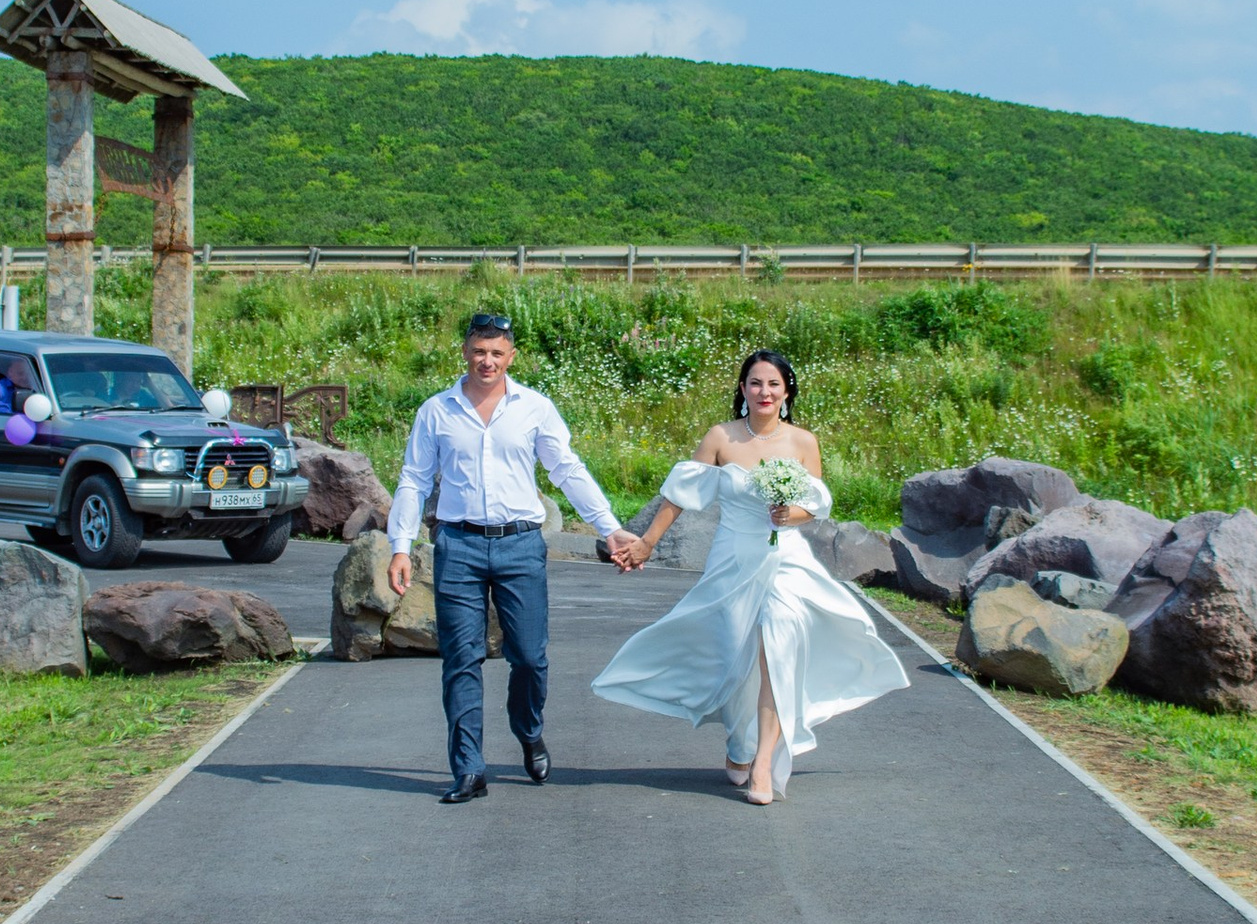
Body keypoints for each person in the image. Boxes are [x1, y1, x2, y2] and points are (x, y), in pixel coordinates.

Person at [594, 347, 903, 802]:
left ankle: (764, 764)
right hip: (732, 560)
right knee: (734, 656)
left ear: (787, 391)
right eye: (756, 383)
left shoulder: (803, 442)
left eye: (774, 384)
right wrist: (647, 543)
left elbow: (814, 505)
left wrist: (789, 513)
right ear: (742, 389)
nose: (764, 392)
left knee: (777, 645)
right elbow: (681, 495)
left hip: (786, 562)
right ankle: (740, 743)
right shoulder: (721, 437)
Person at [387, 312, 626, 803]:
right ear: (465, 352)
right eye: (479, 351)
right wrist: (400, 545)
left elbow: (566, 468)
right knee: (461, 659)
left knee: (531, 657)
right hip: (458, 544)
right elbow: (414, 479)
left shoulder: (534, 408)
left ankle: (529, 730)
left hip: (520, 544)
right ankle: (470, 769)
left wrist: (609, 527)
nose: (487, 361)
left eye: (497, 353)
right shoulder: (437, 410)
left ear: (511, 356)